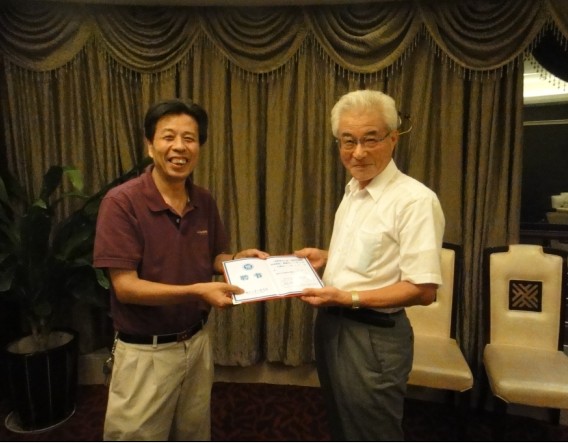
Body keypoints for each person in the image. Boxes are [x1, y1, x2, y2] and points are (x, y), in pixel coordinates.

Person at [93, 98, 268, 441]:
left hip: (197, 344)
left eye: (189, 138)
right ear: (150, 144)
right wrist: (197, 291)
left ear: (199, 147)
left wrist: (237, 261)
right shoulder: (121, 203)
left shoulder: (203, 200)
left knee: (193, 434)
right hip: (145, 353)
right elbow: (126, 287)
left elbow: (212, 257)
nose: (179, 147)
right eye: (168, 136)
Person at [295, 89, 445, 441]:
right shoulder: (354, 190)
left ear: (393, 139)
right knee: (342, 424)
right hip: (332, 326)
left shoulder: (415, 201)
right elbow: (376, 253)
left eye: (370, 139)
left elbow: (423, 289)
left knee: (372, 432)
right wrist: (327, 257)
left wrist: (348, 298)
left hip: (374, 336)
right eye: (348, 141)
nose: (358, 152)